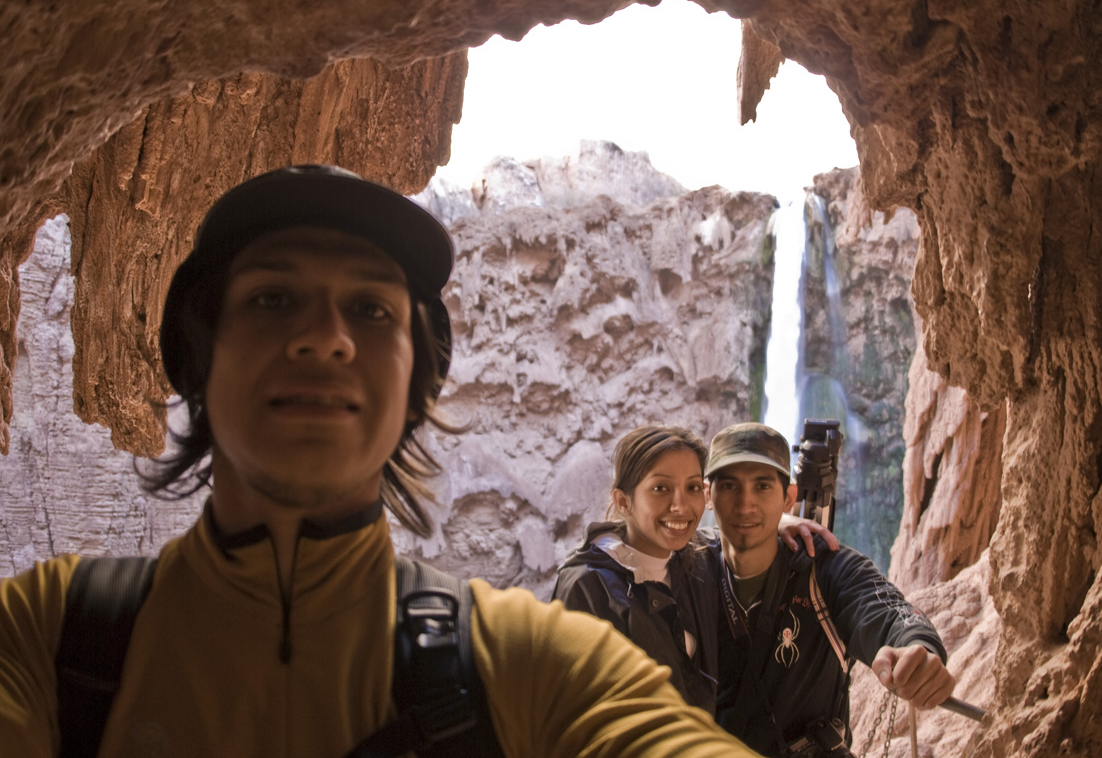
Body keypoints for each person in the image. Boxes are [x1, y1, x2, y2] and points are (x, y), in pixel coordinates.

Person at [0, 165, 766, 757]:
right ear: (198, 354)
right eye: (272, 299)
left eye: (370, 310)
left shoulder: (531, 661)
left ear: (415, 382)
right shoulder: (47, 633)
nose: (324, 337)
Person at [707, 422, 956, 757]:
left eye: (763, 486)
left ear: (789, 497)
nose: (745, 504)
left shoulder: (825, 570)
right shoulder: (691, 569)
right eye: (729, 486)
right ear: (707, 496)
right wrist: (778, 520)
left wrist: (918, 648)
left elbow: (887, 612)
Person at [552, 425, 838, 715]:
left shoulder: (692, 560)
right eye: (660, 488)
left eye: (691, 488)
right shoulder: (589, 588)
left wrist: (778, 520)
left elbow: (736, 533)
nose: (681, 506)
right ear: (623, 501)